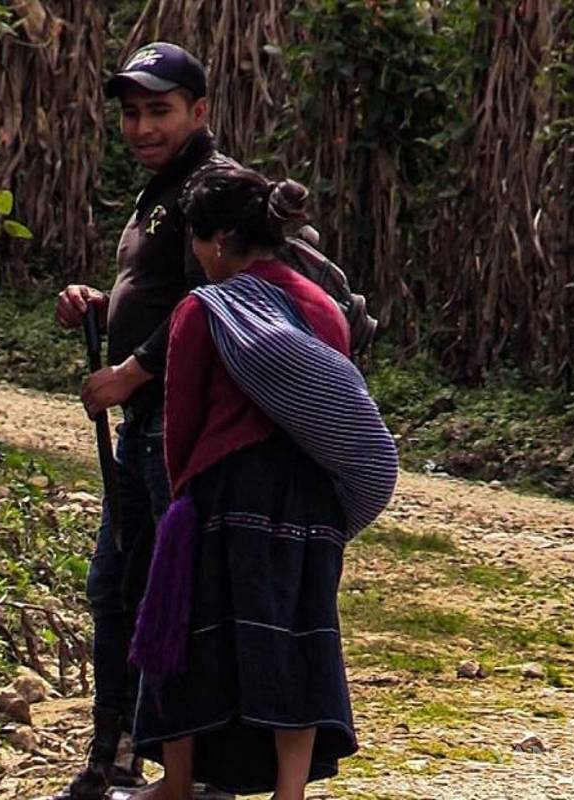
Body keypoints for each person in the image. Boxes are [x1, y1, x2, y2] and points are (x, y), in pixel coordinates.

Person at [126, 168, 398, 798]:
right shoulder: (325, 307)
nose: (196, 255)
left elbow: (182, 421)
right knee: (297, 637)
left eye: (197, 241)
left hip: (230, 495)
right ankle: (290, 791)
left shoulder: (204, 309)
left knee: (187, 637)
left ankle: (180, 783)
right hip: (313, 496)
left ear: (219, 239)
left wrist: (181, 504)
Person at [52, 42, 235, 799]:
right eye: (129, 113)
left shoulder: (213, 188)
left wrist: (130, 371)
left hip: (178, 432)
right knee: (117, 588)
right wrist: (103, 306)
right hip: (143, 430)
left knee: (173, 596)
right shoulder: (160, 190)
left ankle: (200, 774)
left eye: (158, 110)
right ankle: (114, 756)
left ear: (199, 110)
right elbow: (162, 291)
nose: (140, 126)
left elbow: (214, 301)